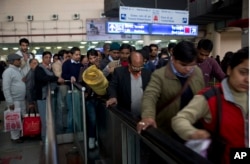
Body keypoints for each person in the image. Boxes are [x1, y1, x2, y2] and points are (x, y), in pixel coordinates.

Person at [172, 47, 249, 164]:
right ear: (229, 70)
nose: (247, 79)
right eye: (243, 72)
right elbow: (180, 119)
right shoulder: (210, 97)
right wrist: (193, 133)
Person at [136, 41, 205, 140]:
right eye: (183, 65)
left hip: (191, 129)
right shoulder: (159, 75)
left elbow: (202, 95)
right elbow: (149, 97)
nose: (188, 69)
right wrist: (148, 116)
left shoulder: (197, 72)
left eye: (192, 65)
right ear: (173, 59)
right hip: (168, 130)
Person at [106, 50, 152, 117]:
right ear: (129, 64)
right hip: (126, 114)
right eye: (135, 67)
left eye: (140, 67)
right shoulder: (119, 72)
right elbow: (112, 86)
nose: (138, 69)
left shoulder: (147, 73)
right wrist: (113, 97)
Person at [34, 51, 64, 143]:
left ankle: (50, 139)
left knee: (50, 119)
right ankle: (45, 140)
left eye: (49, 57)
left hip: (50, 96)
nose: (48, 59)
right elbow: (43, 78)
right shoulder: (39, 68)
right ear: (42, 58)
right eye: (46, 57)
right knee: (45, 121)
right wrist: (56, 78)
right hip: (42, 97)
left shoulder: (50, 68)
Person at [2, 54, 26, 143]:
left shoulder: (18, 70)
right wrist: (9, 102)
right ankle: (15, 137)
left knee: (21, 118)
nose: (20, 61)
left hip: (21, 99)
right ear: (12, 61)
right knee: (14, 119)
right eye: (18, 60)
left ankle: (20, 134)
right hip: (14, 100)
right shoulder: (8, 72)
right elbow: (6, 88)